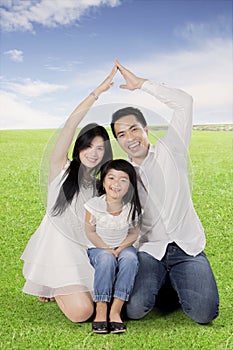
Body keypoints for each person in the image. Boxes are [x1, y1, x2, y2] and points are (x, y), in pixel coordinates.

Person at [110, 60, 219, 324]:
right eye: (122, 134)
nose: (130, 137)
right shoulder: (119, 175)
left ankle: (175, 280)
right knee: (135, 310)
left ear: (146, 130)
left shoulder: (173, 149)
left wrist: (141, 85)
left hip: (187, 247)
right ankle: (165, 284)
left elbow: (185, 102)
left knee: (205, 314)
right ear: (118, 141)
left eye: (134, 128)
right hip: (150, 251)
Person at [21, 65, 117, 322]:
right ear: (79, 147)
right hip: (58, 249)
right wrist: (97, 92)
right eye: (88, 146)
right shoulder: (61, 169)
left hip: (84, 250)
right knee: (82, 313)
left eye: (100, 149)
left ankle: (60, 288)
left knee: (108, 301)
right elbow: (70, 123)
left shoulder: (100, 186)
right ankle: (53, 283)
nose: (93, 153)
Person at [85, 159, 141, 333]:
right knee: (106, 259)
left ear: (130, 186)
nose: (116, 184)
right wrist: (108, 249)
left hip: (123, 246)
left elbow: (133, 233)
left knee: (131, 258)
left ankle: (116, 309)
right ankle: (101, 308)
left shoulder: (131, 208)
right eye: (111, 178)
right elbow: (90, 232)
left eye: (123, 180)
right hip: (98, 247)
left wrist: (122, 248)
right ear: (103, 181)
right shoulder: (94, 205)